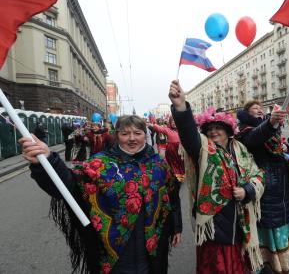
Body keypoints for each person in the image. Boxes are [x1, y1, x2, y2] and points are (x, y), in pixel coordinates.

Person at [20, 115, 183, 273]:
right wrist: (47, 161)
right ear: (117, 135)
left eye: (137, 133)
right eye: (125, 133)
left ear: (144, 135)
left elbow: (172, 196)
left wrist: (176, 226)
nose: (132, 138)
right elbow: (68, 185)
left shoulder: (158, 164)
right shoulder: (99, 164)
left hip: (150, 252)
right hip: (114, 255)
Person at [169, 80, 265, 274]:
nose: (213, 131)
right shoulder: (204, 149)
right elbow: (189, 135)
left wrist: (247, 190)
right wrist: (180, 107)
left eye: (218, 127)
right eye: (209, 128)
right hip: (215, 224)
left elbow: (258, 174)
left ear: (228, 131)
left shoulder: (241, 149)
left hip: (241, 222)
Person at [236, 101, 289, 274]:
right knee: (270, 224)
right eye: (254, 109)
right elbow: (255, 138)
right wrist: (271, 123)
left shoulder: (271, 128)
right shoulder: (244, 131)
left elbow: (280, 149)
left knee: (285, 220)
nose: (259, 111)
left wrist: (285, 146)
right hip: (264, 187)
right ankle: (269, 263)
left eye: (260, 108)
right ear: (247, 114)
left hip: (282, 184)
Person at [149, 116, 185, 182]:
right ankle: (176, 178)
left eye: (175, 121)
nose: (174, 123)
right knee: (174, 164)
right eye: (172, 121)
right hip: (171, 151)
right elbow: (160, 129)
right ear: (170, 123)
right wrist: (152, 124)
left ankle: (182, 176)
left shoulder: (182, 130)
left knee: (181, 163)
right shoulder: (168, 130)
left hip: (180, 150)